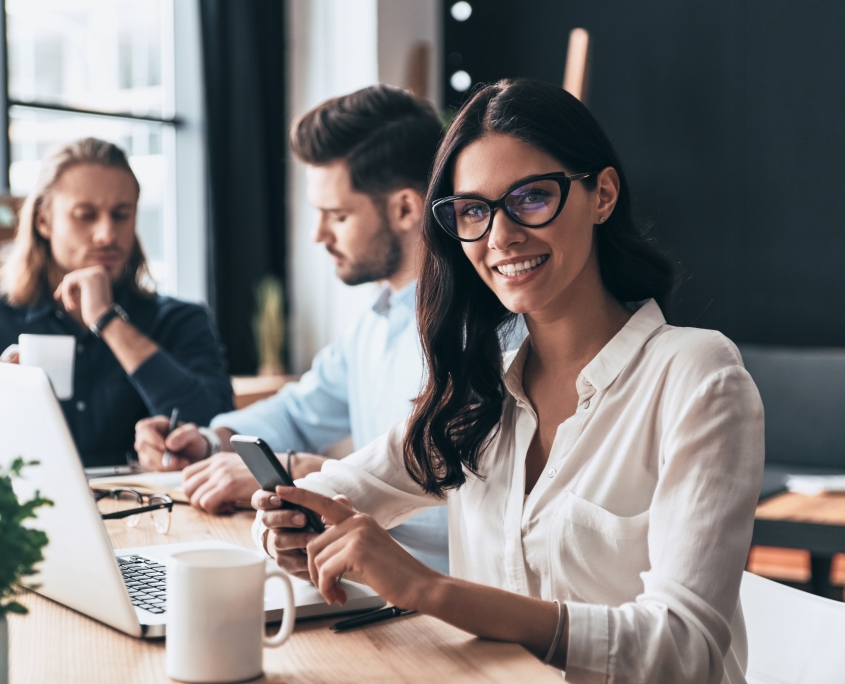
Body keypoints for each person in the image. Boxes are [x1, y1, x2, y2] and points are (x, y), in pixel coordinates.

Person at [253, 79, 765, 682]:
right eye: (474, 210)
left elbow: (683, 646)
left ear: (602, 194)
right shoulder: (477, 394)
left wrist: (431, 590)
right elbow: (336, 490)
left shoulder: (696, 375)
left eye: (530, 198)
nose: (500, 236)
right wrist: (282, 528)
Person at [134, 85, 454, 573]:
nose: (318, 234)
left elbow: (460, 495)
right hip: (364, 579)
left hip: (437, 595)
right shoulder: (375, 320)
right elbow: (300, 412)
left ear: (407, 209)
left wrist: (304, 475)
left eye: (338, 215)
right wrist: (205, 441)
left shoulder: (477, 330)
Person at [0, 138, 233, 467]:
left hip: (151, 512)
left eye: (121, 215)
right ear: (43, 222)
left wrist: (107, 320)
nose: (107, 234)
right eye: (86, 215)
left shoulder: (181, 319)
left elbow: (215, 429)